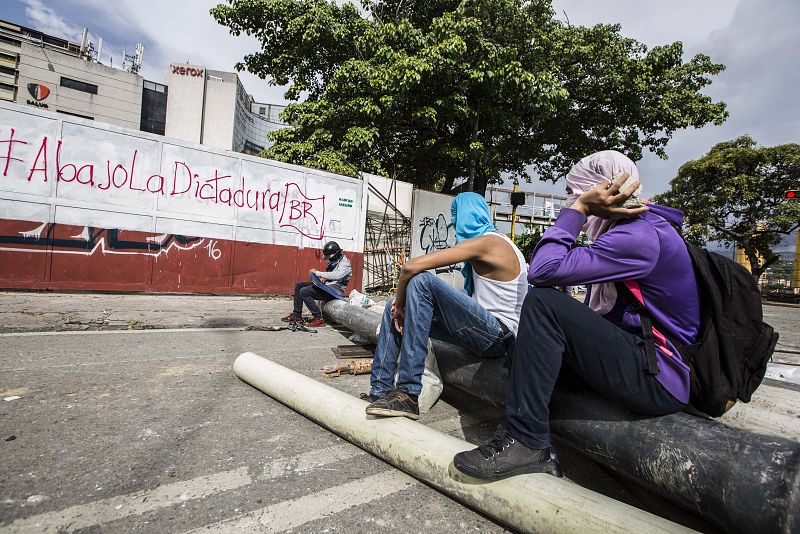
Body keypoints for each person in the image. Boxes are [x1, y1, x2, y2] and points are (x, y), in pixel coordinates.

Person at [453, 150, 700, 480]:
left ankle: (528, 441)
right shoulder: (634, 229)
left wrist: (579, 211)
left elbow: (542, 271)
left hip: (658, 377)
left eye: (575, 191)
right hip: (639, 359)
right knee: (525, 349)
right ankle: (530, 430)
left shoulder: (640, 236)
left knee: (543, 304)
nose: (569, 199)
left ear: (603, 191)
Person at [363, 192, 529, 420]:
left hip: (500, 336)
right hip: (482, 332)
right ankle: (379, 391)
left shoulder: (490, 243)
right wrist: (399, 306)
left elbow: (411, 267)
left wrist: (402, 303)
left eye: (456, 221)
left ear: (465, 217)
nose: (455, 229)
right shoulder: (486, 245)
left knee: (421, 282)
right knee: (392, 305)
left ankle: (409, 393)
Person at [281, 241, 352, 328]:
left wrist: (318, 273)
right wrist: (325, 278)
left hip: (334, 292)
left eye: (331, 257)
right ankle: (297, 315)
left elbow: (338, 275)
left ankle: (318, 318)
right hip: (328, 287)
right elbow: (331, 274)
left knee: (304, 292)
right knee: (299, 285)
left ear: (337, 254)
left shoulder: (345, 264)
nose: (329, 259)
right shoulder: (335, 261)